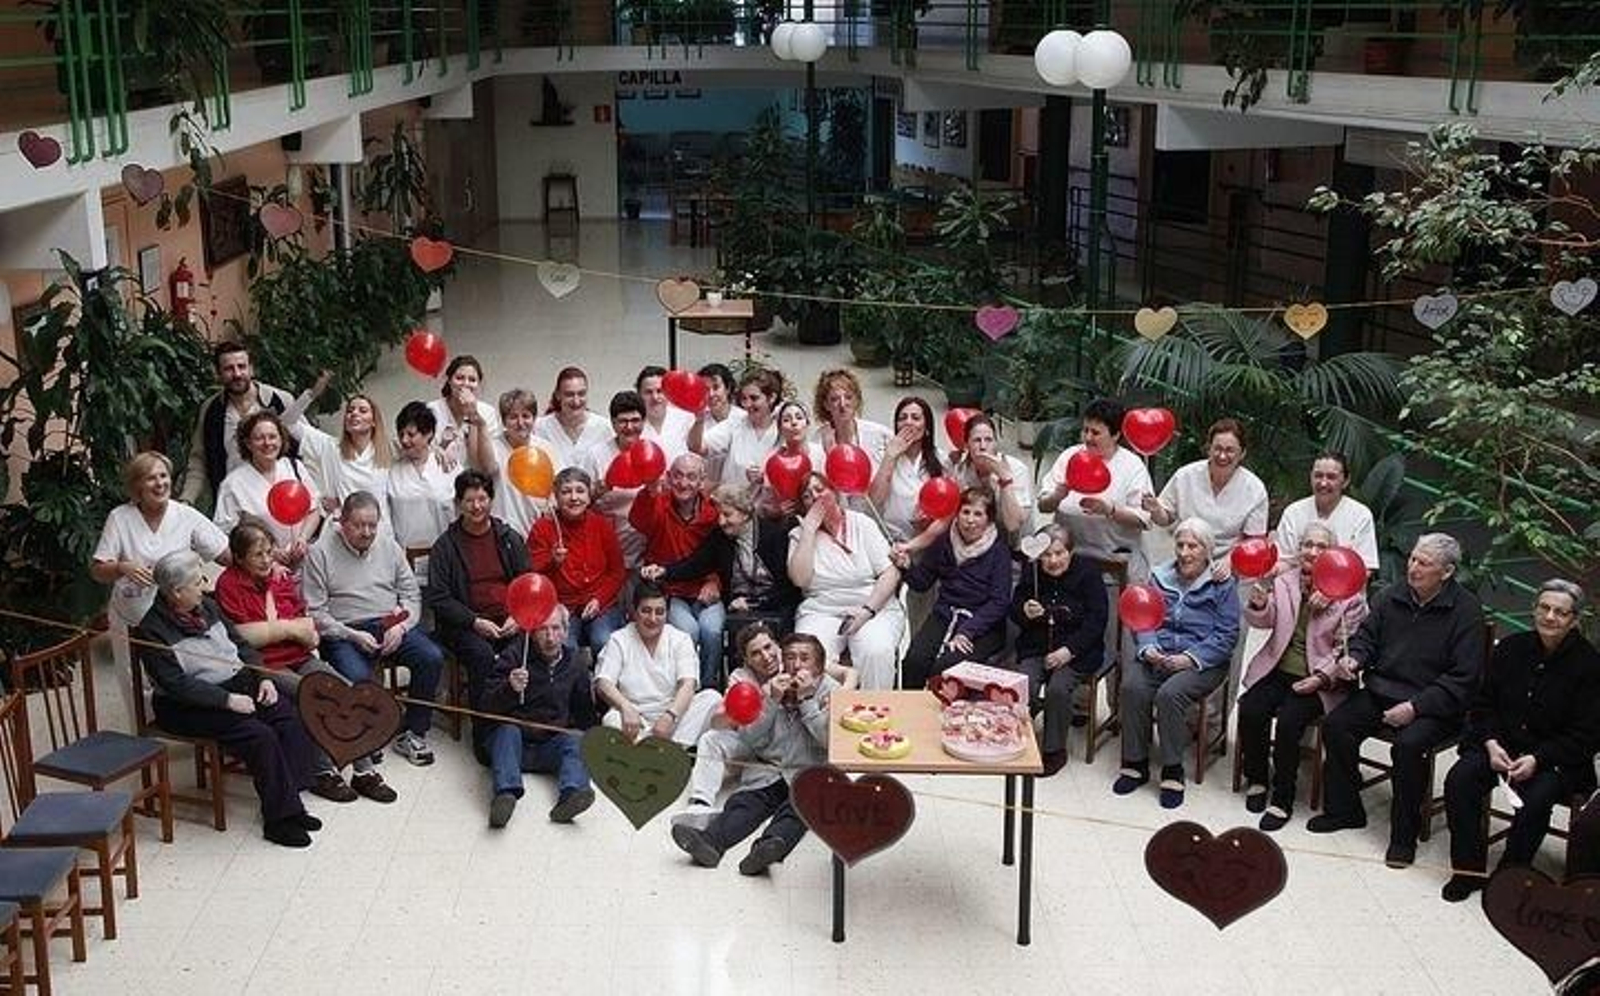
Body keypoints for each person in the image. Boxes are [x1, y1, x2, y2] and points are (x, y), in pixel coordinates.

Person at [1307, 533, 1487, 869]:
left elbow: (1463, 679)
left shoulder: (1466, 611)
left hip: (1434, 704)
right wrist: (1355, 660)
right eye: (1413, 558)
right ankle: (1345, 810)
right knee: (1336, 726)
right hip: (1383, 690)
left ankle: (1403, 836)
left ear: (1446, 572)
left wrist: (1416, 708)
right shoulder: (1392, 595)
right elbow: (1365, 638)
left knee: (1407, 747)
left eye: (1424, 563)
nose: (1413, 567)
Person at [134, 550, 320, 848]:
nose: (205, 584)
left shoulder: (208, 606)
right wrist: (227, 700)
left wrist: (264, 678)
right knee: (259, 735)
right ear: (177, 592)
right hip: (187, 705)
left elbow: (243, 647)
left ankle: (290, 801)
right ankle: (278, 821)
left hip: (237, 683)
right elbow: (176, 684)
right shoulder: (151, 630)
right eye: (197, 581)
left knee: (289, 717)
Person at [214, 520, 396, 804]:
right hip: (263, 666)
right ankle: (324, 773)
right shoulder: (229, 583)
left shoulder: (280, 577)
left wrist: (295, 631)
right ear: (238, 558)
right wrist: (286, 628)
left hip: (297, 655)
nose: (265, 560)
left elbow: (305, 623)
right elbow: (242, 636)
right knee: (317, 696)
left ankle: (364, 771)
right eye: (257, 555)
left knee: (348, 690)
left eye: (268, 552)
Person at [1440, 580, 1600, 901]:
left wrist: (1538, 759)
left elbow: (1587, 735)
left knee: (1535, 801)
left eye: (1560, 612)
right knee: (1460, 780)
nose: (1550, 616)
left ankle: (1508, 877)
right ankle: (1467, 869)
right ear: (1534, 609)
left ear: (1573, 620)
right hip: (1501, 746)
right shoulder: (1510, 648)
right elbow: (1483, 704)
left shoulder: (1590, 664)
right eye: (1544, 608)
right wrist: (1490, 743)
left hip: (1555, 758)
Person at [1236, 522, 1368, 832]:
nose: (1312, 552)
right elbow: (1266, 622)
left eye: (1321, 547)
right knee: (1251, 708)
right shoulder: (1285, 580)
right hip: (1278, 667)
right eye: (1307, 545)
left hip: (1319, 680)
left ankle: (1283, 798)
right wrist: (1259, 604)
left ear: (1333, 554)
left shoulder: (1349, 596)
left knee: (1289, 725)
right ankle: (1257, 778)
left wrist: (1322, 677)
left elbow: (1347, 650)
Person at [671, 632, 836, 876]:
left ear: (819, 666)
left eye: (805, 658)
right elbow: (750, 738)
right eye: (790, 657)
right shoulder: (771, 688)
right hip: (770, 770)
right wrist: (770, 702)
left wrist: (807, 701)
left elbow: (828, 740)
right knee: (744, 803)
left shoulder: (832, 691)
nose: (797, 664)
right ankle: (710, 842)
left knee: (798, 811)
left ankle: (769, 847)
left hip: (808, 774)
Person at [303, 491, 444, 767]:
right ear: (342, 523)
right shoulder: (320, 552)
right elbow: (314, 612)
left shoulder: (388, 545)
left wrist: (402, 626)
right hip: (344, 630)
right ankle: (370, 737)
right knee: (358, 679)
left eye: (372, 525)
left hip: (387, 622)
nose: (367, 532)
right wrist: (351, 634)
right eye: (358, 525)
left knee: (431, 657)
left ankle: (413, 733)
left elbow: (411, 595)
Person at [673, 623, 857, 829]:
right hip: (754, 742)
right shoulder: (741, 679)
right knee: (710, 738)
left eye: (768, 647)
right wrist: (760, 699)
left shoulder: (793, 663)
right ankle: (700, 804)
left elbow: (849, 674)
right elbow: (719, 722)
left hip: (791, 750)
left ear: (778, 646)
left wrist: (842, 694)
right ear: (747, 660)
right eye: (756, 653)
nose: (766, 656)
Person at [1113, 517, 1240, 809]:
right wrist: (1149, 648)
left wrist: (1189, 658)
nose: (1184, 552)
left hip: (1202, 662)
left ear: (1207, 550)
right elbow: (1142, 618)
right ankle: (1135, 761)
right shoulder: (1159, 577)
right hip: (1160, 654)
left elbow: (1226, 635)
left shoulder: (1222, 584)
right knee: (1132, 686)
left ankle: (1172, 769)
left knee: (1170, 695)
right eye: (1180, 545)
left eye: (1193, 546)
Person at [92, 451, 229, 668]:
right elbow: (98, 570)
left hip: (175, 622)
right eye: (151, 478)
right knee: (135, 683)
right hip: (131, 618)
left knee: (176, 680)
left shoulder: (186, 515)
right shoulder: (120, 518)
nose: (160, 483)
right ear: (137, 486)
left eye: (164, 476)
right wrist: (121, 567)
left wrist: (264, 557)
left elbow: (225, 553)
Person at [423, 470, 532, 736]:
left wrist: (516, 617)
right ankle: (485, 731)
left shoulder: (508, 538)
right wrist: (474, 621)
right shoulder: (445, 546)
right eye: (470, 500)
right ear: (459, 503)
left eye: (482, 499)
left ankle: (525, 720)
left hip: (507, 620)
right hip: (464, 624)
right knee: (482, 655)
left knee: (529, 645)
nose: (477, 506)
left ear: (491, 500)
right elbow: (438, 597)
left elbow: (528, 583)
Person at [642, 485, 802, 664]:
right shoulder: (721, 536)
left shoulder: (774, 534)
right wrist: (663, 571)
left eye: (727, 514)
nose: (721, 521)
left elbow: (789, 589)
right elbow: (695, 564)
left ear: (744, 513)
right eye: (719, 514)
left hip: (776, 607)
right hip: (738, 610)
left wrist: (754, 603)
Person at [1005, 526, 1109, 776]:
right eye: (1046, 555)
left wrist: (1068, 651)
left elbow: (1097, 620)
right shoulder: (1032, 572)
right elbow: (1015, 608)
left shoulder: (1088, 572)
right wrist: (1024, 611)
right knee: (1023, 685)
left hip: (1077, 650)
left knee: (1058, 689)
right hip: (1037, 646)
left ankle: (1054, 750)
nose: (1052, 561)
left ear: (1070, 552)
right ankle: (1014, 740)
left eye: (1059, 553)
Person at [481, 606, 598, 828]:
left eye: (556, 628)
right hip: (514, 745)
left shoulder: (575, 663)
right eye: (543, 630)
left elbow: (584, 713)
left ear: (566, 631)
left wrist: (594, 742)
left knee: (575, 739)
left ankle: (572, 795)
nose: (550, 637)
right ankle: (505, 796)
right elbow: (485, 706)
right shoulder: (515, 655)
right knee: (507, 730)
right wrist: (509, 688)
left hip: (550, 744)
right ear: (532, 633)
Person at [788, 473, 905, 690]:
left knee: (875, 650)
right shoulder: (799, 534)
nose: (815, 497)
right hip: (821, 609)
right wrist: (809, 532)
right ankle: (824, 716)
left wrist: (866, 611)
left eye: (820, 489)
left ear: (834, 493)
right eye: (807, 496)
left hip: (871, 606)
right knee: (806, 655)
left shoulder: (862, 523)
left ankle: (875, 713)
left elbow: (891, 573)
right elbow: (800, 579)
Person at [895, 486, 1013, 690]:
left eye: (978, 514)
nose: (970, 519)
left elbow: (999, 602)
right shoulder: (944, 541)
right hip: (945, 613)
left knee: (945, 669)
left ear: (989, 519)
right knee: (914, 661)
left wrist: (967, 631)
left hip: (982, 624)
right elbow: (922, 583)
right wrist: (907, 567)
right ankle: (910, 714)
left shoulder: (998, 552)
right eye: (965, 512)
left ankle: (941, 719)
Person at [629, 454, 724, 688]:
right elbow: (638, 521)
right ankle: (686, 688)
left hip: (705, 588)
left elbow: (723, 556)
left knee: (712, 631)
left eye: (691, 477)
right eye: (678, 475)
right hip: (670, 591)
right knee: (688, 631)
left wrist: (715, 582)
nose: (684, 483)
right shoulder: (657, 502)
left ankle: (709, 688)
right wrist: (649, 492)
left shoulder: (713, 511)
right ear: (669, 478)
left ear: (702, 481)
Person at [594, 583, 722, 746]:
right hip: (635, 720)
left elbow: (688, 685)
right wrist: (625, 707)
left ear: (667, 614)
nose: (653, 619)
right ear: (634, 611)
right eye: (646, 611)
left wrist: (670, 715)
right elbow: (603, 682)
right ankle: (658, 753)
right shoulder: (619, 639)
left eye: (659, 612)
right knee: (611, 719)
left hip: (673, 719)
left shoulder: (680, 639)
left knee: (712, 698)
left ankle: (668, 751)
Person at [1037, 398, 1154, 576]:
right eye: (1085, 431)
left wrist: (1111, 510)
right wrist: (1057, 496)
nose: (1088, 438)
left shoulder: (1132, 465)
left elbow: (1143, 519)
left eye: (1096, 432)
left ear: (1115, 435)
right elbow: (1043, 506)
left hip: (1113, 557)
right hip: (1068, 556)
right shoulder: (1069, 456)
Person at [1143, 417, 1268, 579]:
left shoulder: (1255, 489)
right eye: (1217, 448)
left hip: (1228, 565)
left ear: (1242, 453)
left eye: (1230, 450)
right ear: (1209, 449)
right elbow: (1165, 518)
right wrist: (1155, 510)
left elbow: (1253, 541)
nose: (1222, 456)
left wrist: (1230, 561)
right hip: (1185, 558)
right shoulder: (1185, 475)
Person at [181, 340, 297, 506]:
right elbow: (199, 459)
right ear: (218, 373)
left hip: (281, 500)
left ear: (251, 368)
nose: (237, 374)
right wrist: (187, 499)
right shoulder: (211, 410)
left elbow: (308, 448)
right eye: (229, 368)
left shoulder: (280, 401)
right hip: (232, 502)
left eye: (242, 366)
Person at [527, 467, 628, 656]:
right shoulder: (543, 528)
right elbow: (532, 575)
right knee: (564, 648)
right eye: (566, 492)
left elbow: (617, 571)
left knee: (604, 641)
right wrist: (552, 561)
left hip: (600, 605)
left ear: (589, 497)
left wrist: (599, 599)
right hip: (560, 607)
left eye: (580, 491)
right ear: (556, 497)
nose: (574, 498)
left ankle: (604, 685)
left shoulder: (601, 525)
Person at [212, 411, 322, 568]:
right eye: (259, 438)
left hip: (305, 562)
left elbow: (313, 508)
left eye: (272, 436)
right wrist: (267, 551)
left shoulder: (295, 467)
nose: (267, 443)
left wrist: (303, 539)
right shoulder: (233, 484)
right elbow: (225, 534)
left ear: (281, 439)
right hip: (263, 570)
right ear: (248, 443)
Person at [284, 391, 393, 515]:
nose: (354, 414)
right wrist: (312, 394)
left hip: (382, 530)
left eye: (362, 410)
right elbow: (288, 424)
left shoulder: (387, 451)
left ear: (374, 421)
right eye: (350, 410)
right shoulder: (330, 446)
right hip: (343, 529)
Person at [575, 390, 650, 567]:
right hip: (606, 550)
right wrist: (598, 491)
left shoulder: (651, 452)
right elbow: (578, 500)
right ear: (613, 424)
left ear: (644, 422)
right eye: (623, 421)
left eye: (635, 421)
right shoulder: (596, 455)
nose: (630, 427)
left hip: (646, 550)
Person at [1274, 452, 1379, 572]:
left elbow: (1365, 569)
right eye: (1318, 476)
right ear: (1311, 477)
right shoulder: (1293, 512)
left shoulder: (1361, 515)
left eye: (1331, 477)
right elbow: (1284, 561)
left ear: (1345, 481)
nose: (1323, 483)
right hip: (1294, 586)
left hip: (1344, 587)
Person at [868, 396, 947, 547]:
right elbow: (875, 501)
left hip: (928, 542)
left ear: (926, 428)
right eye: (902, 418)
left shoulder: (941, 460)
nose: (908, 422)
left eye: (915, 418)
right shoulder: (883, 454)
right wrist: (890, 456)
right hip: (890, 541)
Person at [692, 368, 782, 489]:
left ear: (771, 398)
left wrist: (764, 477)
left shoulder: (783, 429)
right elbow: (697, 447)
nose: (748, 404)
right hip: (730, 503)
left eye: (754, 398)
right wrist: (699, 420)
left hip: (768, 505)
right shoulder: (735, 423)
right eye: (744, 399)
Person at [948, 414, 1033, 541]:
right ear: (966, 445)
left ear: (996, 443)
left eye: (988, 440)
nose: (983, 447)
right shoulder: (960, 470)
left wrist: (1005, 481)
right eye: (977, 440)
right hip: (979, 541)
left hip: (1016, 544)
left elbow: (1013, 525)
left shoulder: (1017, 469)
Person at [386, 401, 455, 553]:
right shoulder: (392, 472)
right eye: (401, 434)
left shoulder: (447, 467)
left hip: (446, 554)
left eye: (411, 434)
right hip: (405, 556)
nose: (404, 440)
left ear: (428, 433)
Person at [490, 388, 557, 537]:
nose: (520, 423)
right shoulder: (492, 448)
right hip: (501, 535)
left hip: (537, 533)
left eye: (526, 416)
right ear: (504, 421)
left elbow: (557, 487)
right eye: (513, 417)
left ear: (534, 418)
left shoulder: (546, 448)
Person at [427, 354, 500, 471]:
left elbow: (485, 467)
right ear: (449, 381)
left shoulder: (488, 412)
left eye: (472, 380)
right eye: (460, 378)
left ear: (478, 384)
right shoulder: (432, 410)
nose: (465, 384)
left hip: (473, 481)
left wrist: (473, 416)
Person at [533, 366, 611, 471]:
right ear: (558, 395)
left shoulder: (604, 427)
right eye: (569, 395)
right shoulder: (539, 427)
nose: (576, 401)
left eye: (581, 394)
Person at [812, 368, 891, 468]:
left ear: (856, 401)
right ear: (826, 404)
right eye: (835, 399)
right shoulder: (819, 439)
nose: (842, 404)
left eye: (848, 397)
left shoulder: (880, 434)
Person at [636, 364, 696, 460]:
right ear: (639, 394)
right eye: (648, 392)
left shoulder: (686, 418)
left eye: (660, 391)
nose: (655, 397)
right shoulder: (633, 424)